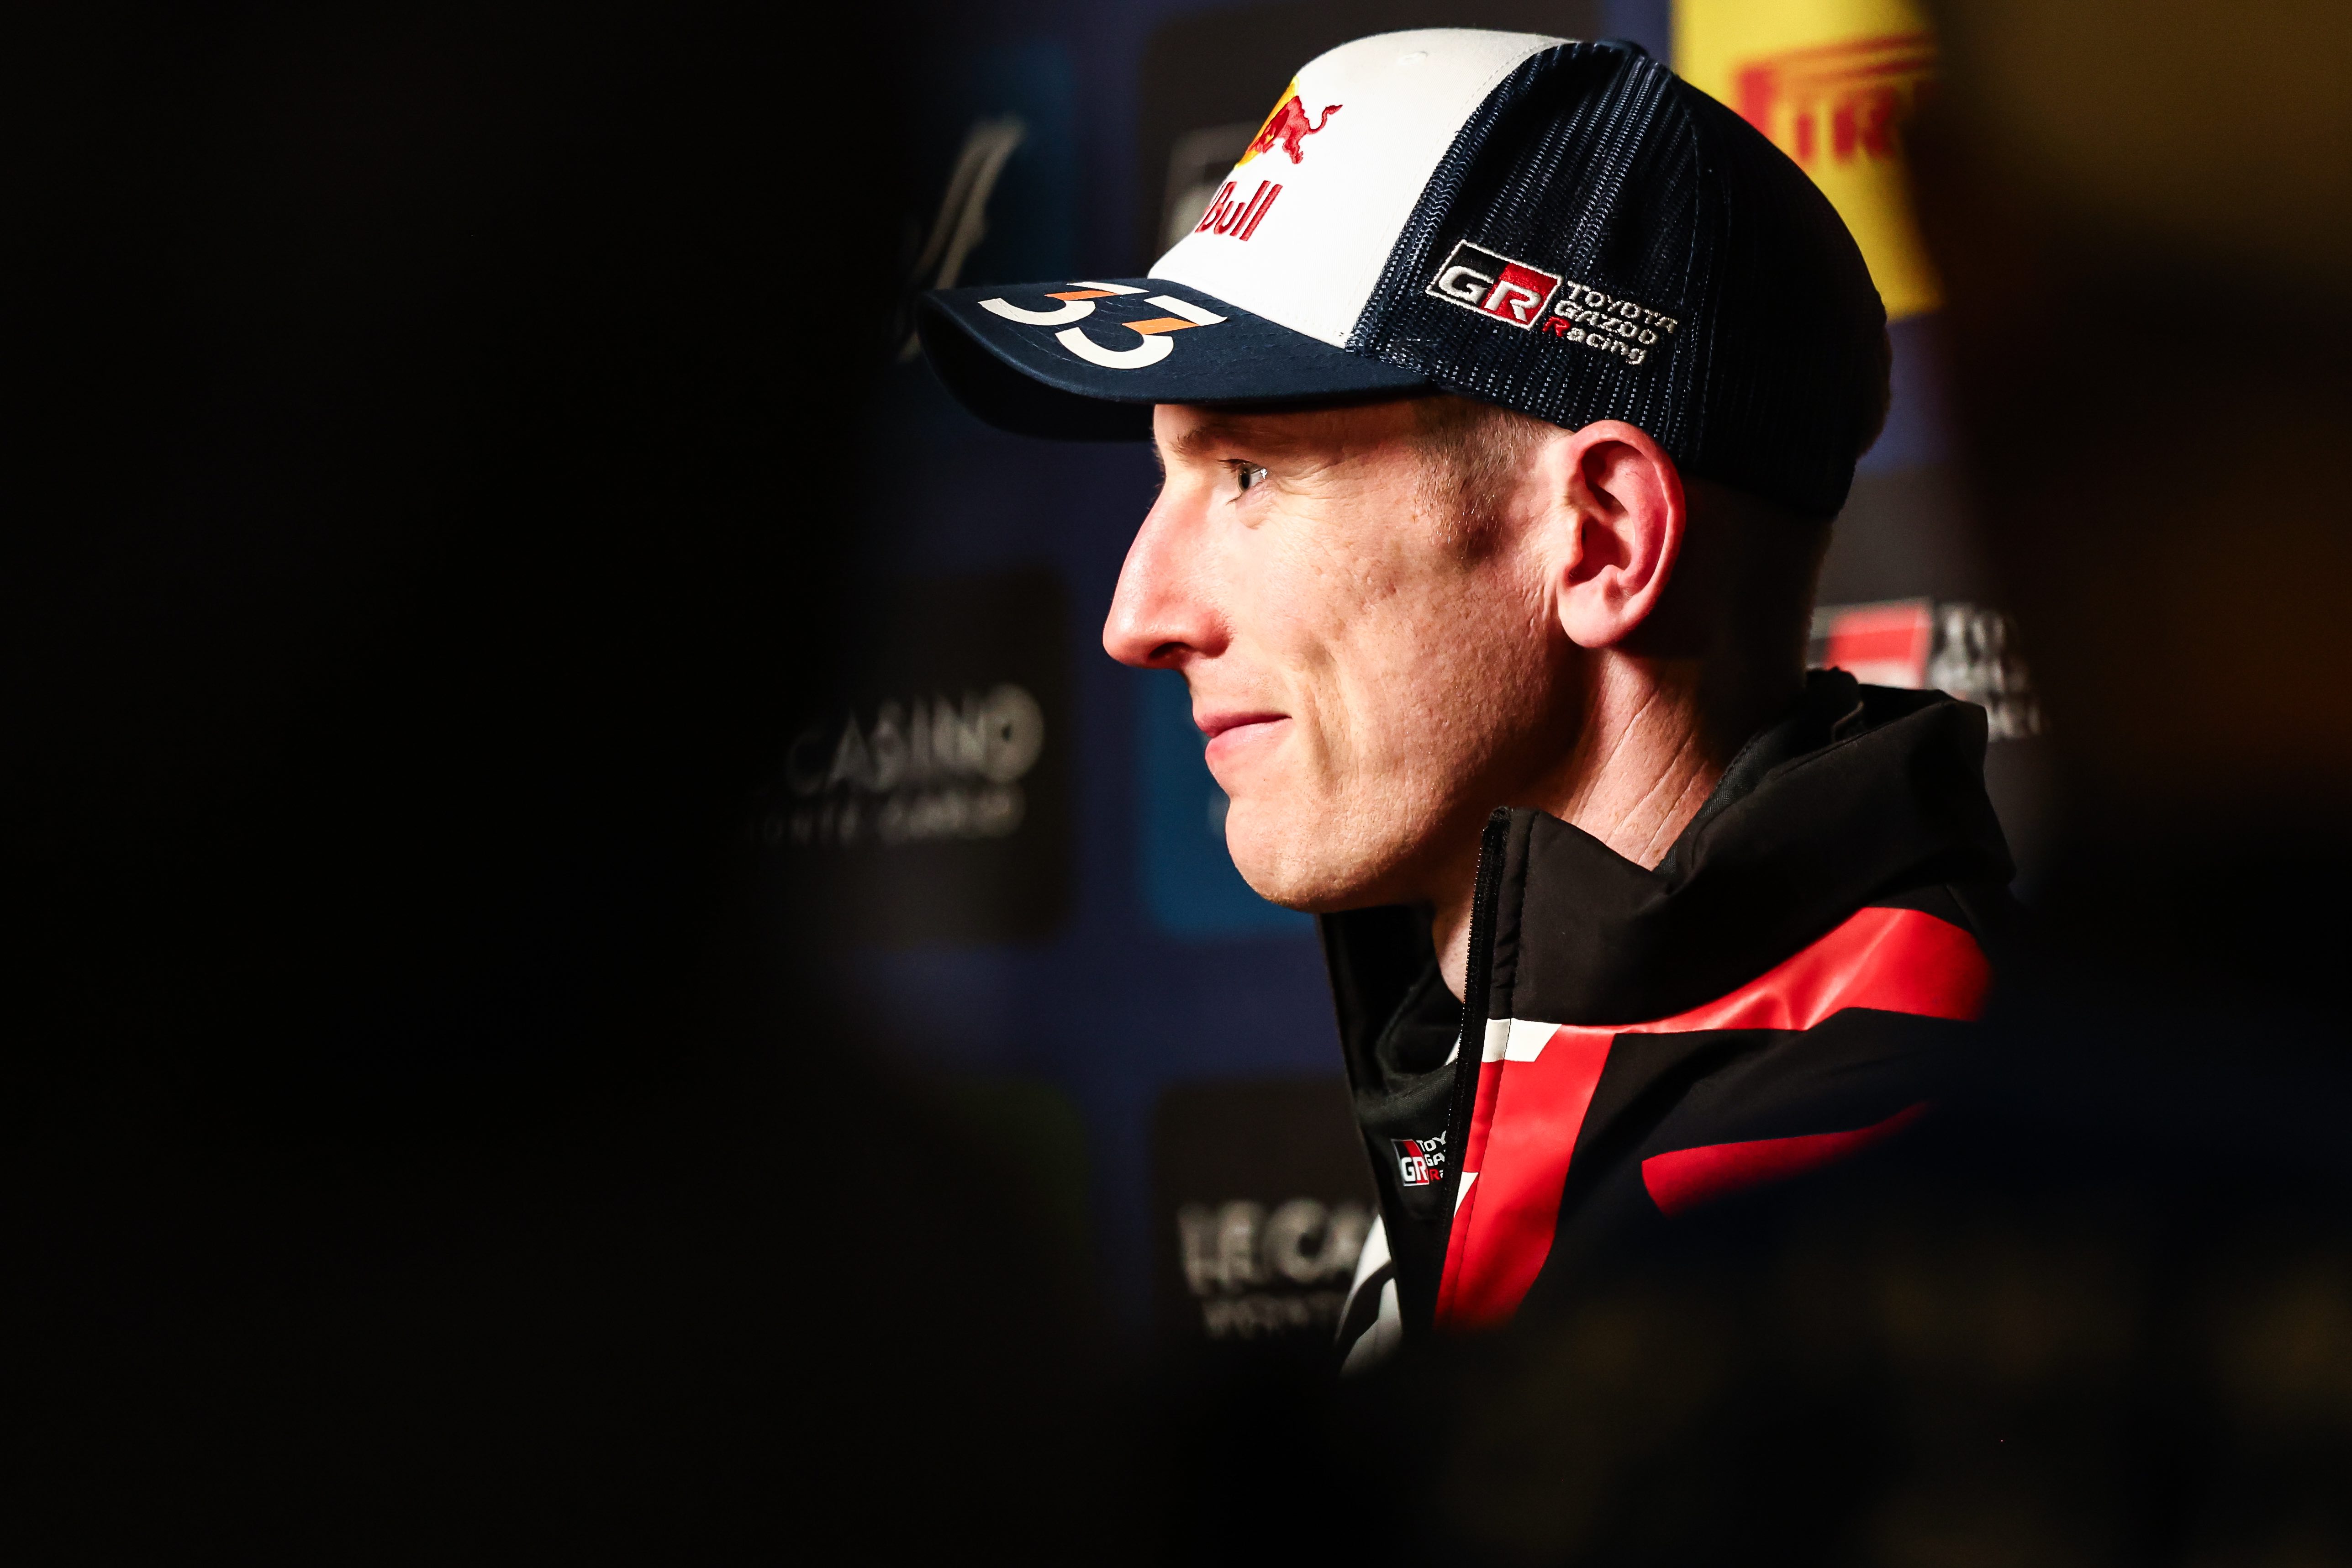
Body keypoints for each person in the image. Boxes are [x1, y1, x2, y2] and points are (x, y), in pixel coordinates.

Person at [919, 27, 2014, 1370]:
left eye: (1250, 475)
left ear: (1603, 537)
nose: (1138, 617)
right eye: (1170, 479)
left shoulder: (1863, 1226)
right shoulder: (1513, 1086)